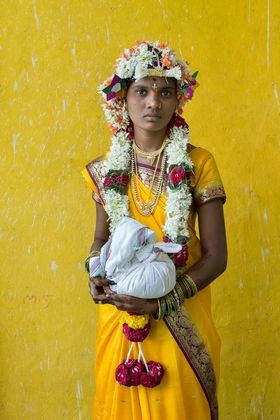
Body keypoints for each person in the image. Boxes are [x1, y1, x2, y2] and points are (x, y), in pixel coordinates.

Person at [82, 41, 227, 420]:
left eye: (165, 92)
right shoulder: (105, 170)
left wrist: (162, 303)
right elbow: (101, 240)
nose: (153, 103)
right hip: (122, 312)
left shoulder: (198, 162)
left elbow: (216, 256)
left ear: (177, 100)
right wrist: (94, 270)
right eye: (142, 91)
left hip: (183, 310)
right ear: (122, 99)